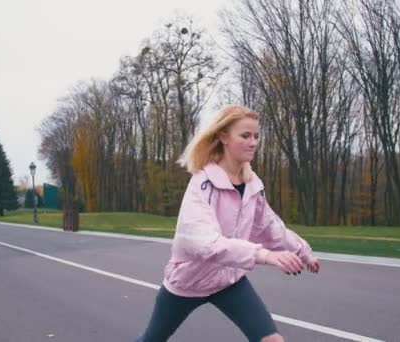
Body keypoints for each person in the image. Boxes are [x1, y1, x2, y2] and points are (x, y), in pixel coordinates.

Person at [136, 105, 320, 342]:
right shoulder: (202, 184)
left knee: (272, 340)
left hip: (228, 282)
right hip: (189, 282)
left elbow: (270, 227)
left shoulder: (252, 184)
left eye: (256, 136)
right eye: (245, 136)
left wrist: (304, 252)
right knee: (151, 340)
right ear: (223, 137)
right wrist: (263, 255)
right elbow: (204, 244)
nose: (253, 142)